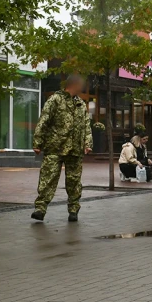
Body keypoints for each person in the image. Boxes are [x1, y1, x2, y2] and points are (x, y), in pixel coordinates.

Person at [30, 74, 93, 223]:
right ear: (73, 84)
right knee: (48, 178)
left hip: (75, 149)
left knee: (74, 181)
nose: (82, 87)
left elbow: (86, 126)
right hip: (55, 147)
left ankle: (73, 210)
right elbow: (43, 121)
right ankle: (40, 209)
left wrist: (88, 143)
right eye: (80, 84)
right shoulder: (55, 100)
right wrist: (37, 142)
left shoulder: (81, 104)